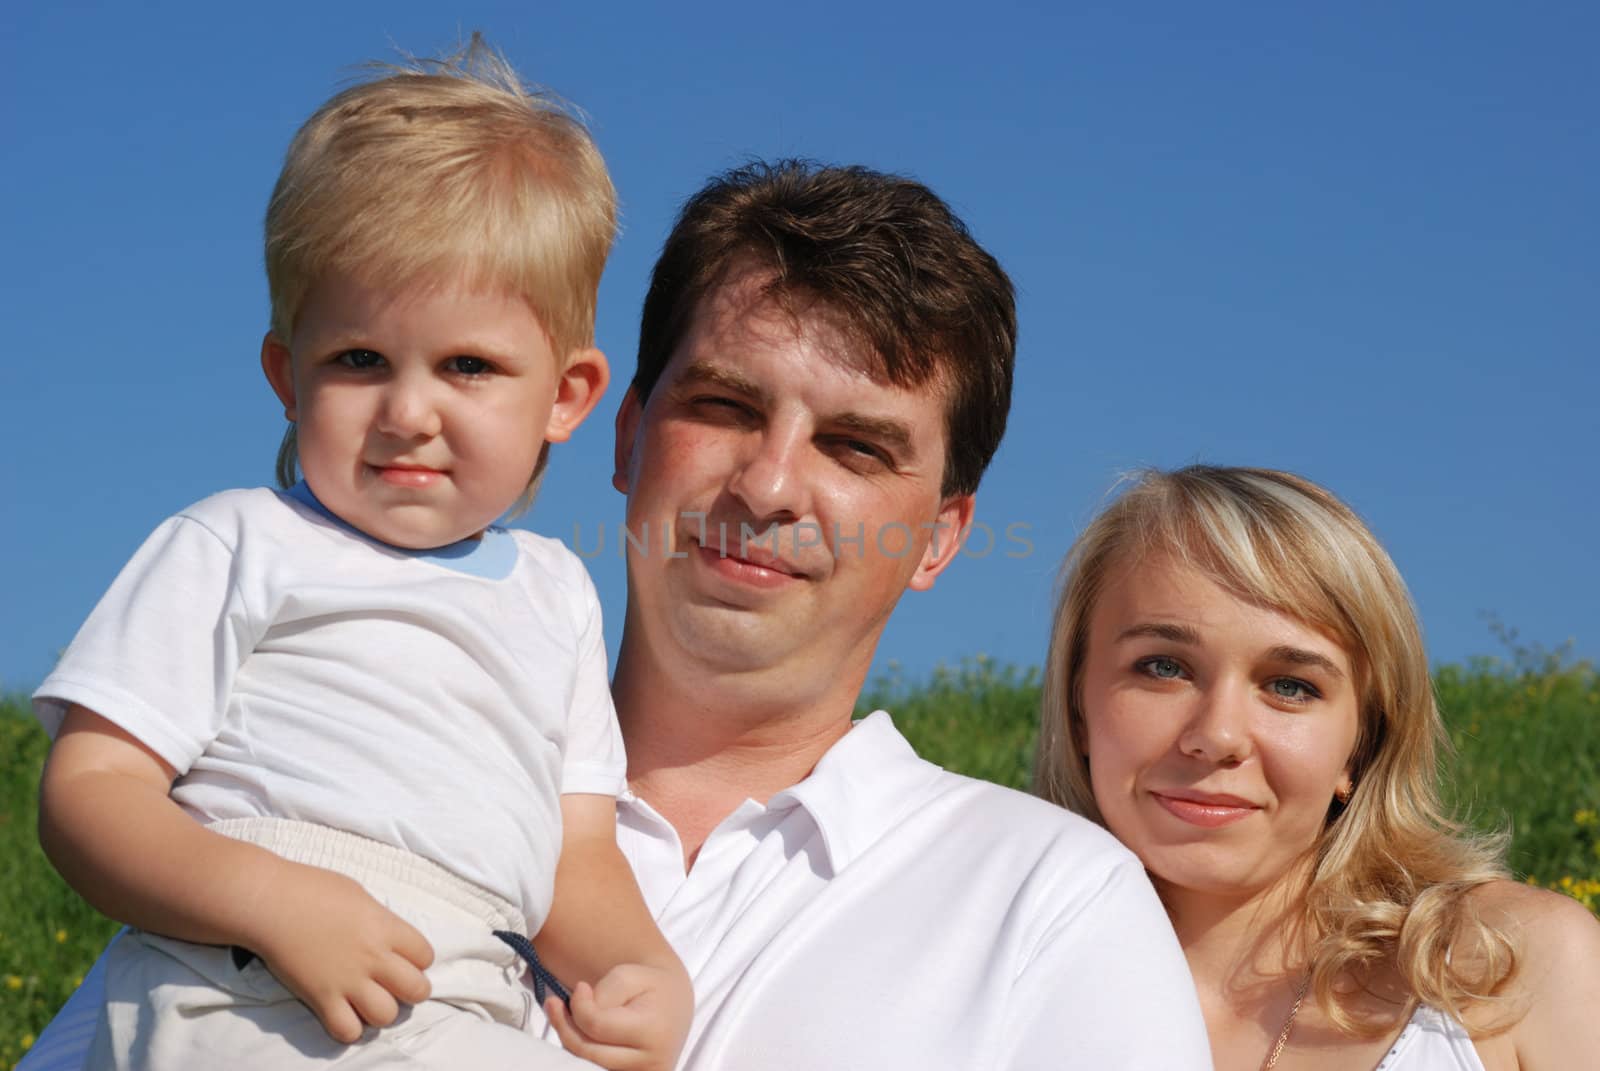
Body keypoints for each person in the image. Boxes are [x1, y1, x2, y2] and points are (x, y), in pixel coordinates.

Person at [24, 161, 1213, 1070]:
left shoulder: (1047, 904)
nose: (768, 485)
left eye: (854, 445)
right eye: (726, 405)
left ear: (941, 538)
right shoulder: (298, 777)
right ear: (625, 433)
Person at [31, 42, 690, 1071]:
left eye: (469, 365)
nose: (409, 412)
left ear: (565, 397)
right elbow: (90, 791)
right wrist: (267, 900)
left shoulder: (556, 595)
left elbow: (578, 852)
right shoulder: (239, 541)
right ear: (287, 376)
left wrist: (642, 968)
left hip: (466, 989)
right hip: (251, 981)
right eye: (358, 361)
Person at [1035, 465, 1600, 1069]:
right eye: (1164, 668)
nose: (1218, 736)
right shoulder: (988, 978)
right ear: (1077, 706)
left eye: (1289, 685)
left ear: (1360, 743)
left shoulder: (1516, 964)